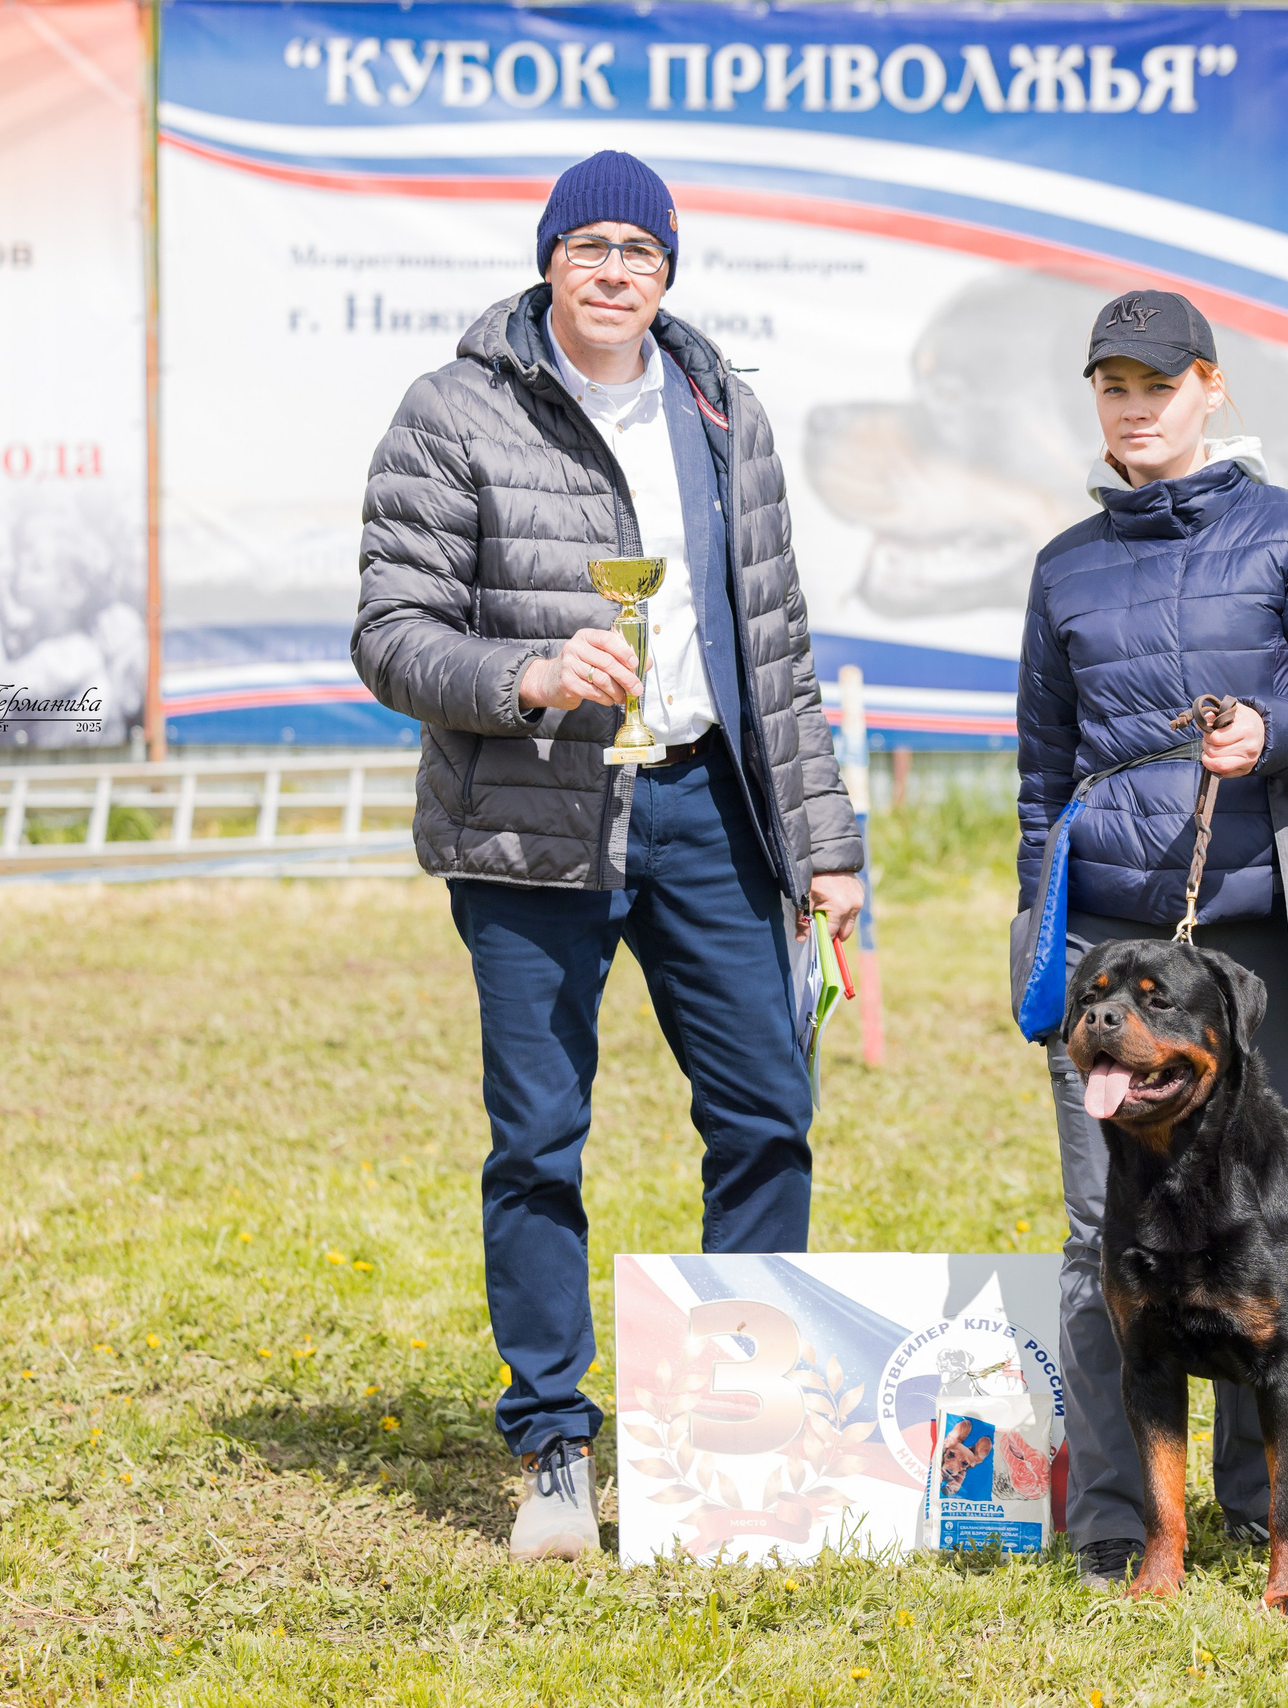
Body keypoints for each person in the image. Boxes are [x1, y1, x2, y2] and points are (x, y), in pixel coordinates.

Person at [353, 150, 864, 1562]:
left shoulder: (722, 409)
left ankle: (730, 1430)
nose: (613, 271)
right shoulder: (454, 409)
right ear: (549, 262)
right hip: (528, 824)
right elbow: (390, 634)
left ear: (669, 273)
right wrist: (528, 674)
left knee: (767, 1114)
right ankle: (554, 1448)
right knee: (539, 1140)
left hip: (708, 809)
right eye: (588, 247)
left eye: (639, 250)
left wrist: (822, 844)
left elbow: (778, 648)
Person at [1015, 290, 1288, 1588]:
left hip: (1271, 939)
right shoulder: (1065, 565)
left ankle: (1254, 1507)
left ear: (1212, 389)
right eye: (1113, 385)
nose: (1135, 405)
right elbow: (1039, 776)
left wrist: (1273, 734)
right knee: (1100, 1234)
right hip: (1123, 948)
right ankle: (1121, 1522)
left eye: (1158, 383)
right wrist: (1043, 949)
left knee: (1265, 1231)